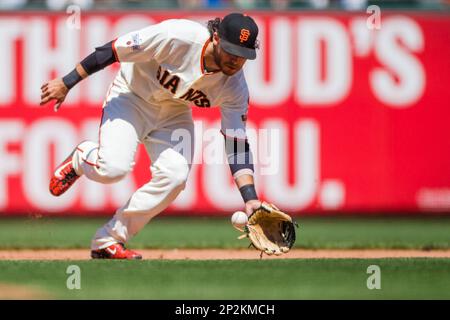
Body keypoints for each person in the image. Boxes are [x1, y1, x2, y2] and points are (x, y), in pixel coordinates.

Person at [40, 13, 262, 259]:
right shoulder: (178, 36)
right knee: (112, 169)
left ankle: (108, 239)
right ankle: (82, 158)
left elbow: (236, 141)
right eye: (231, 51)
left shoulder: (235, 88)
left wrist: (250, 198)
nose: (236, 60)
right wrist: (67, 82)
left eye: (243, 55)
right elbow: (111, 50)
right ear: (216, 37)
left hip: (174, 113)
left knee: (175, 178)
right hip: (131, 97)